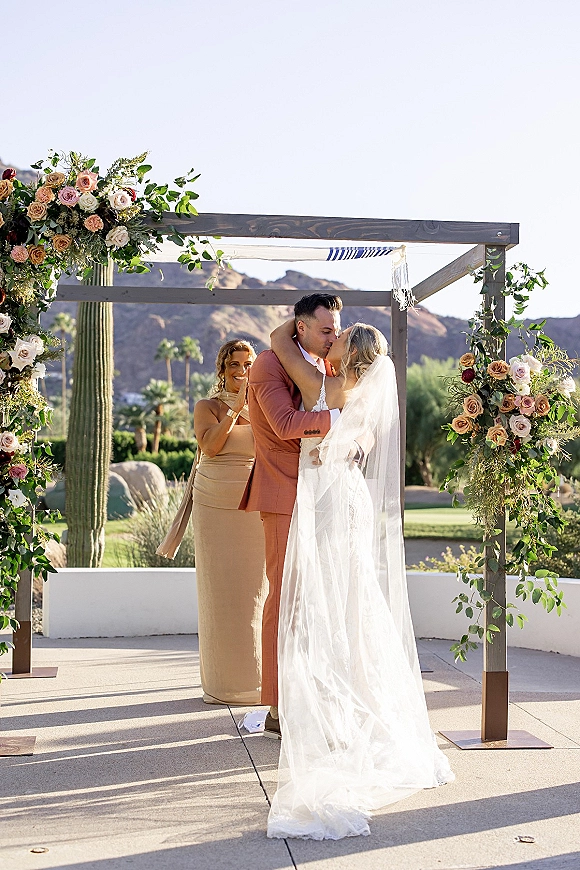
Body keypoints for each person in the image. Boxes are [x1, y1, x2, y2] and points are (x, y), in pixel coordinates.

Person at [265, 319, 454, 840]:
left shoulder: (324, 386)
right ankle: (356, 712)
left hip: (331, 506)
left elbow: (281, 339)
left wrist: (305, 324)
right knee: (353, 601)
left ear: (351, 352)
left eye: (340, 334)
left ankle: (339, 719)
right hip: (350, 500)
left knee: (330, 604)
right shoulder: (364, 394)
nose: (333, 338)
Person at [239, 293, 343, 737]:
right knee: (283, 601)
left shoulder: (327, 364)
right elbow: (283, 424)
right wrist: (341, 419)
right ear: (299, 327)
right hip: (283, 493)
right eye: (326, 330)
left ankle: (310, 695)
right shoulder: (267, 365)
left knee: (316, 600)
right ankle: (277, 707)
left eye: (337, 329)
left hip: (322, 496)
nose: (333, 337)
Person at [158, 340, 267, 706]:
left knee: (257, 593)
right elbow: (211, 447)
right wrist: (235, 411)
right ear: (222, 368)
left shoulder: (268, 404)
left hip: (257, 502)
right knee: (220, 594)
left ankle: (257, 684)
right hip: (214, 503)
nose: (242, 370)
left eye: (248, 363)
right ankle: (222, 686)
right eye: (234, 364)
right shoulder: (207, 406)